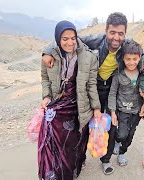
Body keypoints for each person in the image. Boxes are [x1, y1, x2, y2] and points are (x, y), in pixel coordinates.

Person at [42, 12, 130, 175]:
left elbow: (142, 56)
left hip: (112, 89)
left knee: (111, 124)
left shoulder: (127, 44)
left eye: (121, 33)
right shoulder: (96, 39)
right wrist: (47, 51)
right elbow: (71, 38)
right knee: (85, 125)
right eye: (112, 32)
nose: (116, 38)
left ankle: (105, 159)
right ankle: (80, 158)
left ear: (125, 33)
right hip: (93, 87)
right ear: (106, 31)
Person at [38, 20, 101, 180]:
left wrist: (96, 107)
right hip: (58, 102)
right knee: (51, 137)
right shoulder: (49, 55)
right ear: (58, 38)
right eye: (65, 38)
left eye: (73, 38)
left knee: (75, 141)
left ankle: (72, 168)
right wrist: (46, 96)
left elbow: (91, 85)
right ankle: (53, 172)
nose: (70, 42)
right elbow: (45, 78)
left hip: (79, 104)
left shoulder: (89, 57)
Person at [108, 40, 143, 167]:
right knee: (122, 134)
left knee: (130, 135)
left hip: (137, 111)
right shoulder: (118, 76)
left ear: (140, 58)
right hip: (122, 110)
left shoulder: (143, 75)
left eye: (135, 59)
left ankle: (122, 153)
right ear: (123, 58)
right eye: (128, 59)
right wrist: (112, 111)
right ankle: (118, 141)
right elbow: (112, 93)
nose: (131, 62)